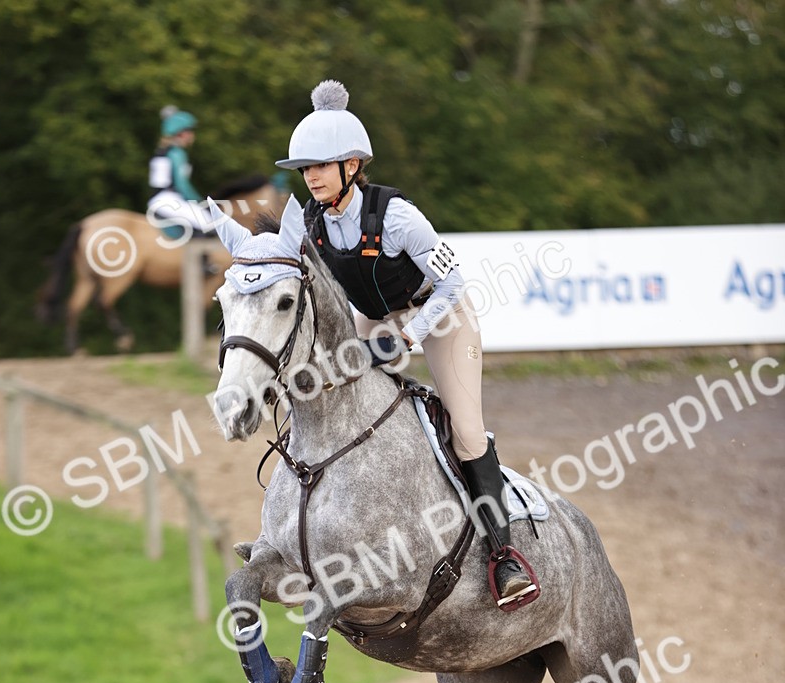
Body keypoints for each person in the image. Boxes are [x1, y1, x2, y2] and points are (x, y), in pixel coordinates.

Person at [275, 80, 536, 606]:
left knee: (464, 431)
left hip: (440, 318)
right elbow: (285, 275)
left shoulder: (395, 215)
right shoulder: (306, 219)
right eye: (305, 169)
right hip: (372, 320)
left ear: (352, 165)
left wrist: (411, 334)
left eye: (321, 166)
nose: (311, 177)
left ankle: (504, 556)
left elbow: (454, 281)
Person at [147, 107, 215, 237]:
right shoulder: (176, 153)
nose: (191, 135)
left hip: (161, 199)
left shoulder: (164, 150)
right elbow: (182, 185)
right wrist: (200, 202)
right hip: (168, 199)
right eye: (188, 131)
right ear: (179, 133)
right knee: (209, 222)